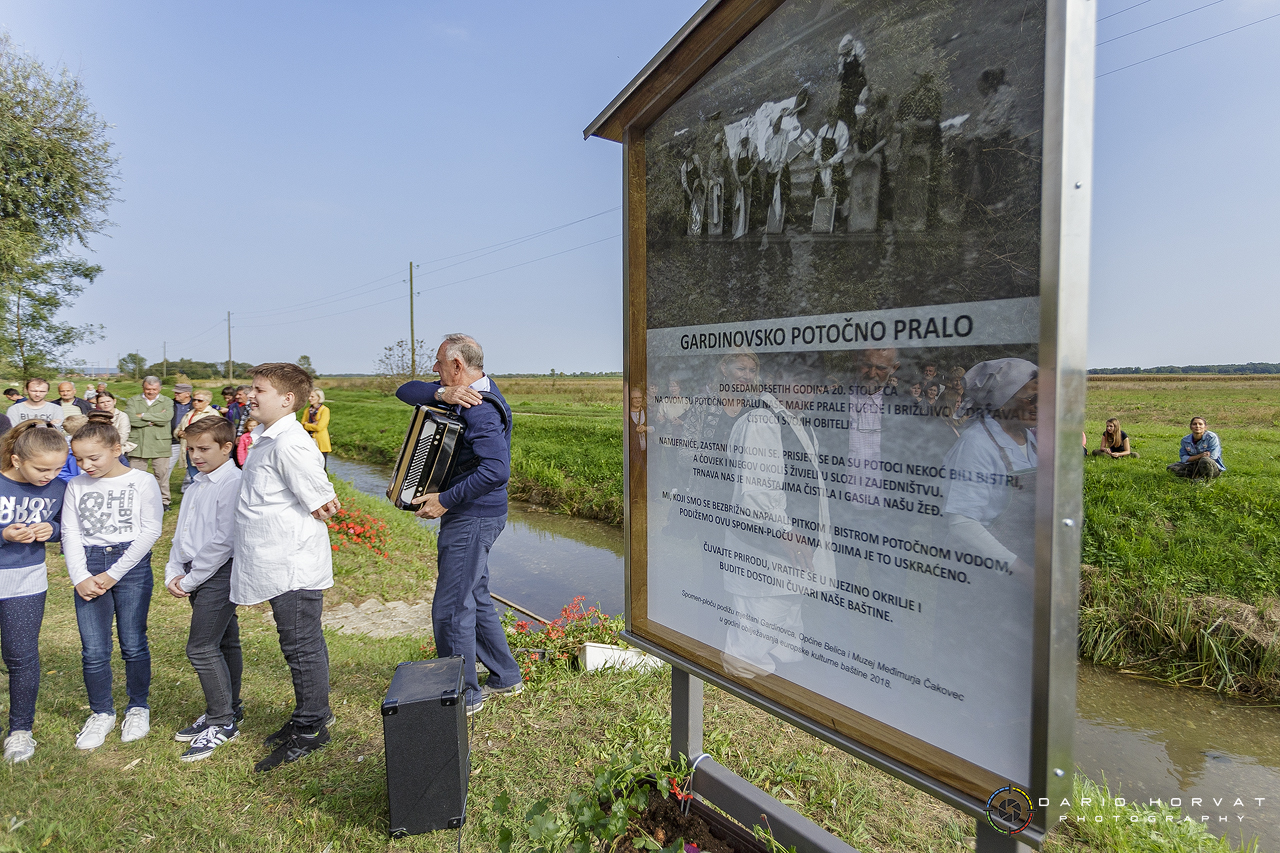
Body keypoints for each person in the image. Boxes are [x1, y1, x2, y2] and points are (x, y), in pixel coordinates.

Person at [394, 334, 521, 717]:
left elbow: (497, 471)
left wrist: (444, 499)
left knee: (451, 605)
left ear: (457, 366)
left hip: (471, 516)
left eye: (438, 364)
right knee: (475, 595)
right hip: (482, 514)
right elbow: (405, 390)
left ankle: (463, 694)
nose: (434, 370)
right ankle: (505, 675)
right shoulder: (469, 388)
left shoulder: (479, 408)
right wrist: (441, 396)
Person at [231, 363, 340, 772]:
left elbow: (323, 502)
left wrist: (322, 503)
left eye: (259, 390)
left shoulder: (289, 444)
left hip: (291, 565)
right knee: (296, 644)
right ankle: (310, 713)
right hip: (274, 562)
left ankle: (312, 729)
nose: (251, 395)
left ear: (287, 400)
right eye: (251, 389)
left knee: (302, 647)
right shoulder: (266, 438)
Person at [63, 420, 164, 750]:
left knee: (133, 642)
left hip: (130, 567)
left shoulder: (142, 481)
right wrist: (80, 577)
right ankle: (101, 712)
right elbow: (71, 533)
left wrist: (114, 573)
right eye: (79, 459)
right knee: (94, 649)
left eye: (93, 458)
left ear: (116, 449)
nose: (85, 465)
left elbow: (150, 531)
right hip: (89, 566)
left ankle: (137, 707)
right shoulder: (76, 485)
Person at [163, 417, 244, 762]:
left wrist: (192, 578)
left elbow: (223, 540)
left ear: (227, 448)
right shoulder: (196, 482)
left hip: (218, 573)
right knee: (225, 641)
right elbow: (184, 531)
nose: (195, 455)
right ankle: (230, 708)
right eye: (191, 448)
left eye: (204, 449)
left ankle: (222, 721)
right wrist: (172, 568)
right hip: (194, 571)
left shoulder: (233, 483)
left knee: (201, 647)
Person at [0, 422, 68, 763]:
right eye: (43, 468)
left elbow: (64, 528)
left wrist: (51, 529)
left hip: (26, 581)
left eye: (58, 468)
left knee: (21, 657)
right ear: (16, 459)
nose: (50, 476)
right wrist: (4, 536)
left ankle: (20, 730)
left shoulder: (58, 488)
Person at [123, 377, 175, 510]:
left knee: (161, 474)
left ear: (160, 389)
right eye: (148, 389)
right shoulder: (134, 400)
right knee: (136, 474)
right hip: (138, 443)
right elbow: (130, 418)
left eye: (154, 389)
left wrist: (143, 415)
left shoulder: (167, 401)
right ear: (143, 388)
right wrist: (153, 420)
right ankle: (135, 499)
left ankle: (164, 501)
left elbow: (166, 418)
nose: (151, 392)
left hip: (160, 443)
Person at [174, 390, 220, 485]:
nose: (195, 402)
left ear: (207, 402)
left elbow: (214, 433)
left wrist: (190, 435)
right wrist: (179, 433)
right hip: (188, 449)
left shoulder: (212, 414)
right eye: (194, 400)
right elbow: (178, 428)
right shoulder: (190, 413)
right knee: (193, 477)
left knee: (203, 477)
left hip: (203, 451)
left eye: (199, 400)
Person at [94, 391, 134, 461]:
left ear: (114, 401)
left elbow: (123, 435)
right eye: (102, 402)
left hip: (117, 451)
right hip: (99, 451)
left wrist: (108, 447)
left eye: (108, 401)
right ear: (98, 404)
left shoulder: (122, 416)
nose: (106, 404)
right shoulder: (96, 417)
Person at [169, 384, 193, 484]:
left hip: (190, 441)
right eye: (175, 392)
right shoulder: (170, 403)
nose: (176, 394)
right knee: (167, 465)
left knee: (191, 465)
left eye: (178, 393)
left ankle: (187, 488)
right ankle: (161, 487)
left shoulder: (195, 405)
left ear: (187, 394)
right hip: (173, 440)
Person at [301, 389, 331, 469]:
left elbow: (319, 427)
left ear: (319, 397)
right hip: (309, 442)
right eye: (309, 396)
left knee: (321, 467)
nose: (309, 398)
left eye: (312, 396)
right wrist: (311, 424)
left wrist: (307, 424)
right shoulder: (307, 410)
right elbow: (302, 425)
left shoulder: (325, 410)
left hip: (321, 442)